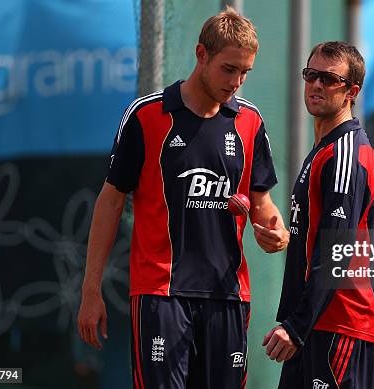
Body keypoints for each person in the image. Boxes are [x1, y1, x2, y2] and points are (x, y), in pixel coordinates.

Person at [77, 7, 289, 389]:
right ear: (201, 54)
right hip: (161, 294)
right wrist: (91, 289)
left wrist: (277, 231)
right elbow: (110, 201)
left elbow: (262, 203)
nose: (237, 81)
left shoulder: (251, 122)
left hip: (228, 296)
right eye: (229, 68)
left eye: (245, 72)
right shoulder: (146, 115)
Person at [263, 41, 374, 389]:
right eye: (311, 75)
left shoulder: (346, 155)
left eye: (328, 79)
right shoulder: (326, 149)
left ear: (352, 91)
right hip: (316, 323)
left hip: (341, 322)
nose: (316, 84)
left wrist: (296, 326)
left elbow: (338, 251)